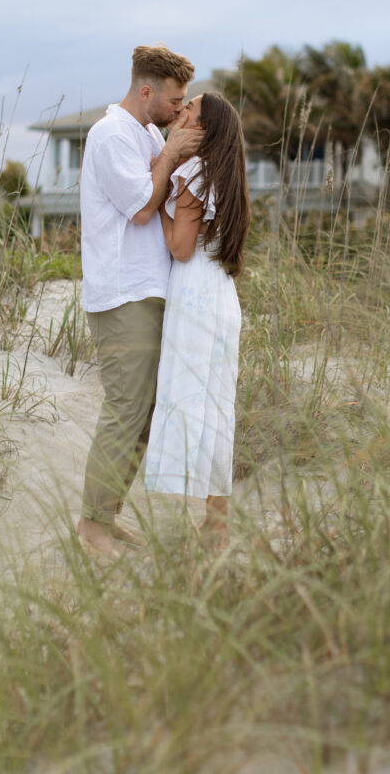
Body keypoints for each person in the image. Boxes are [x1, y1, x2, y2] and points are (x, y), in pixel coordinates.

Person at [77, 44, 202, 559]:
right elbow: (142, 209)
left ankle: (104, 516)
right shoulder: (110, 135)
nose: (179, 109)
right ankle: (91, 529)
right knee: (125, 408)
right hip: (121, 291)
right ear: (146, 91)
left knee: (145, 413)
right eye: (174, 100)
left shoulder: (148, 133)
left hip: (150, 289)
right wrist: (171, 154)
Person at [145, 92, 250, 547]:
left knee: (187, 398)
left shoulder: (191, 175)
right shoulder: (225, 176)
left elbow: (180, 248)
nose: (179, 112)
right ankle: (217, 517)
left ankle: (198, 521)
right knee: (215, 403)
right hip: (221, 293)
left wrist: (158, 211)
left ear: (203, 131)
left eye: (189, 111)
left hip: (195, 292)